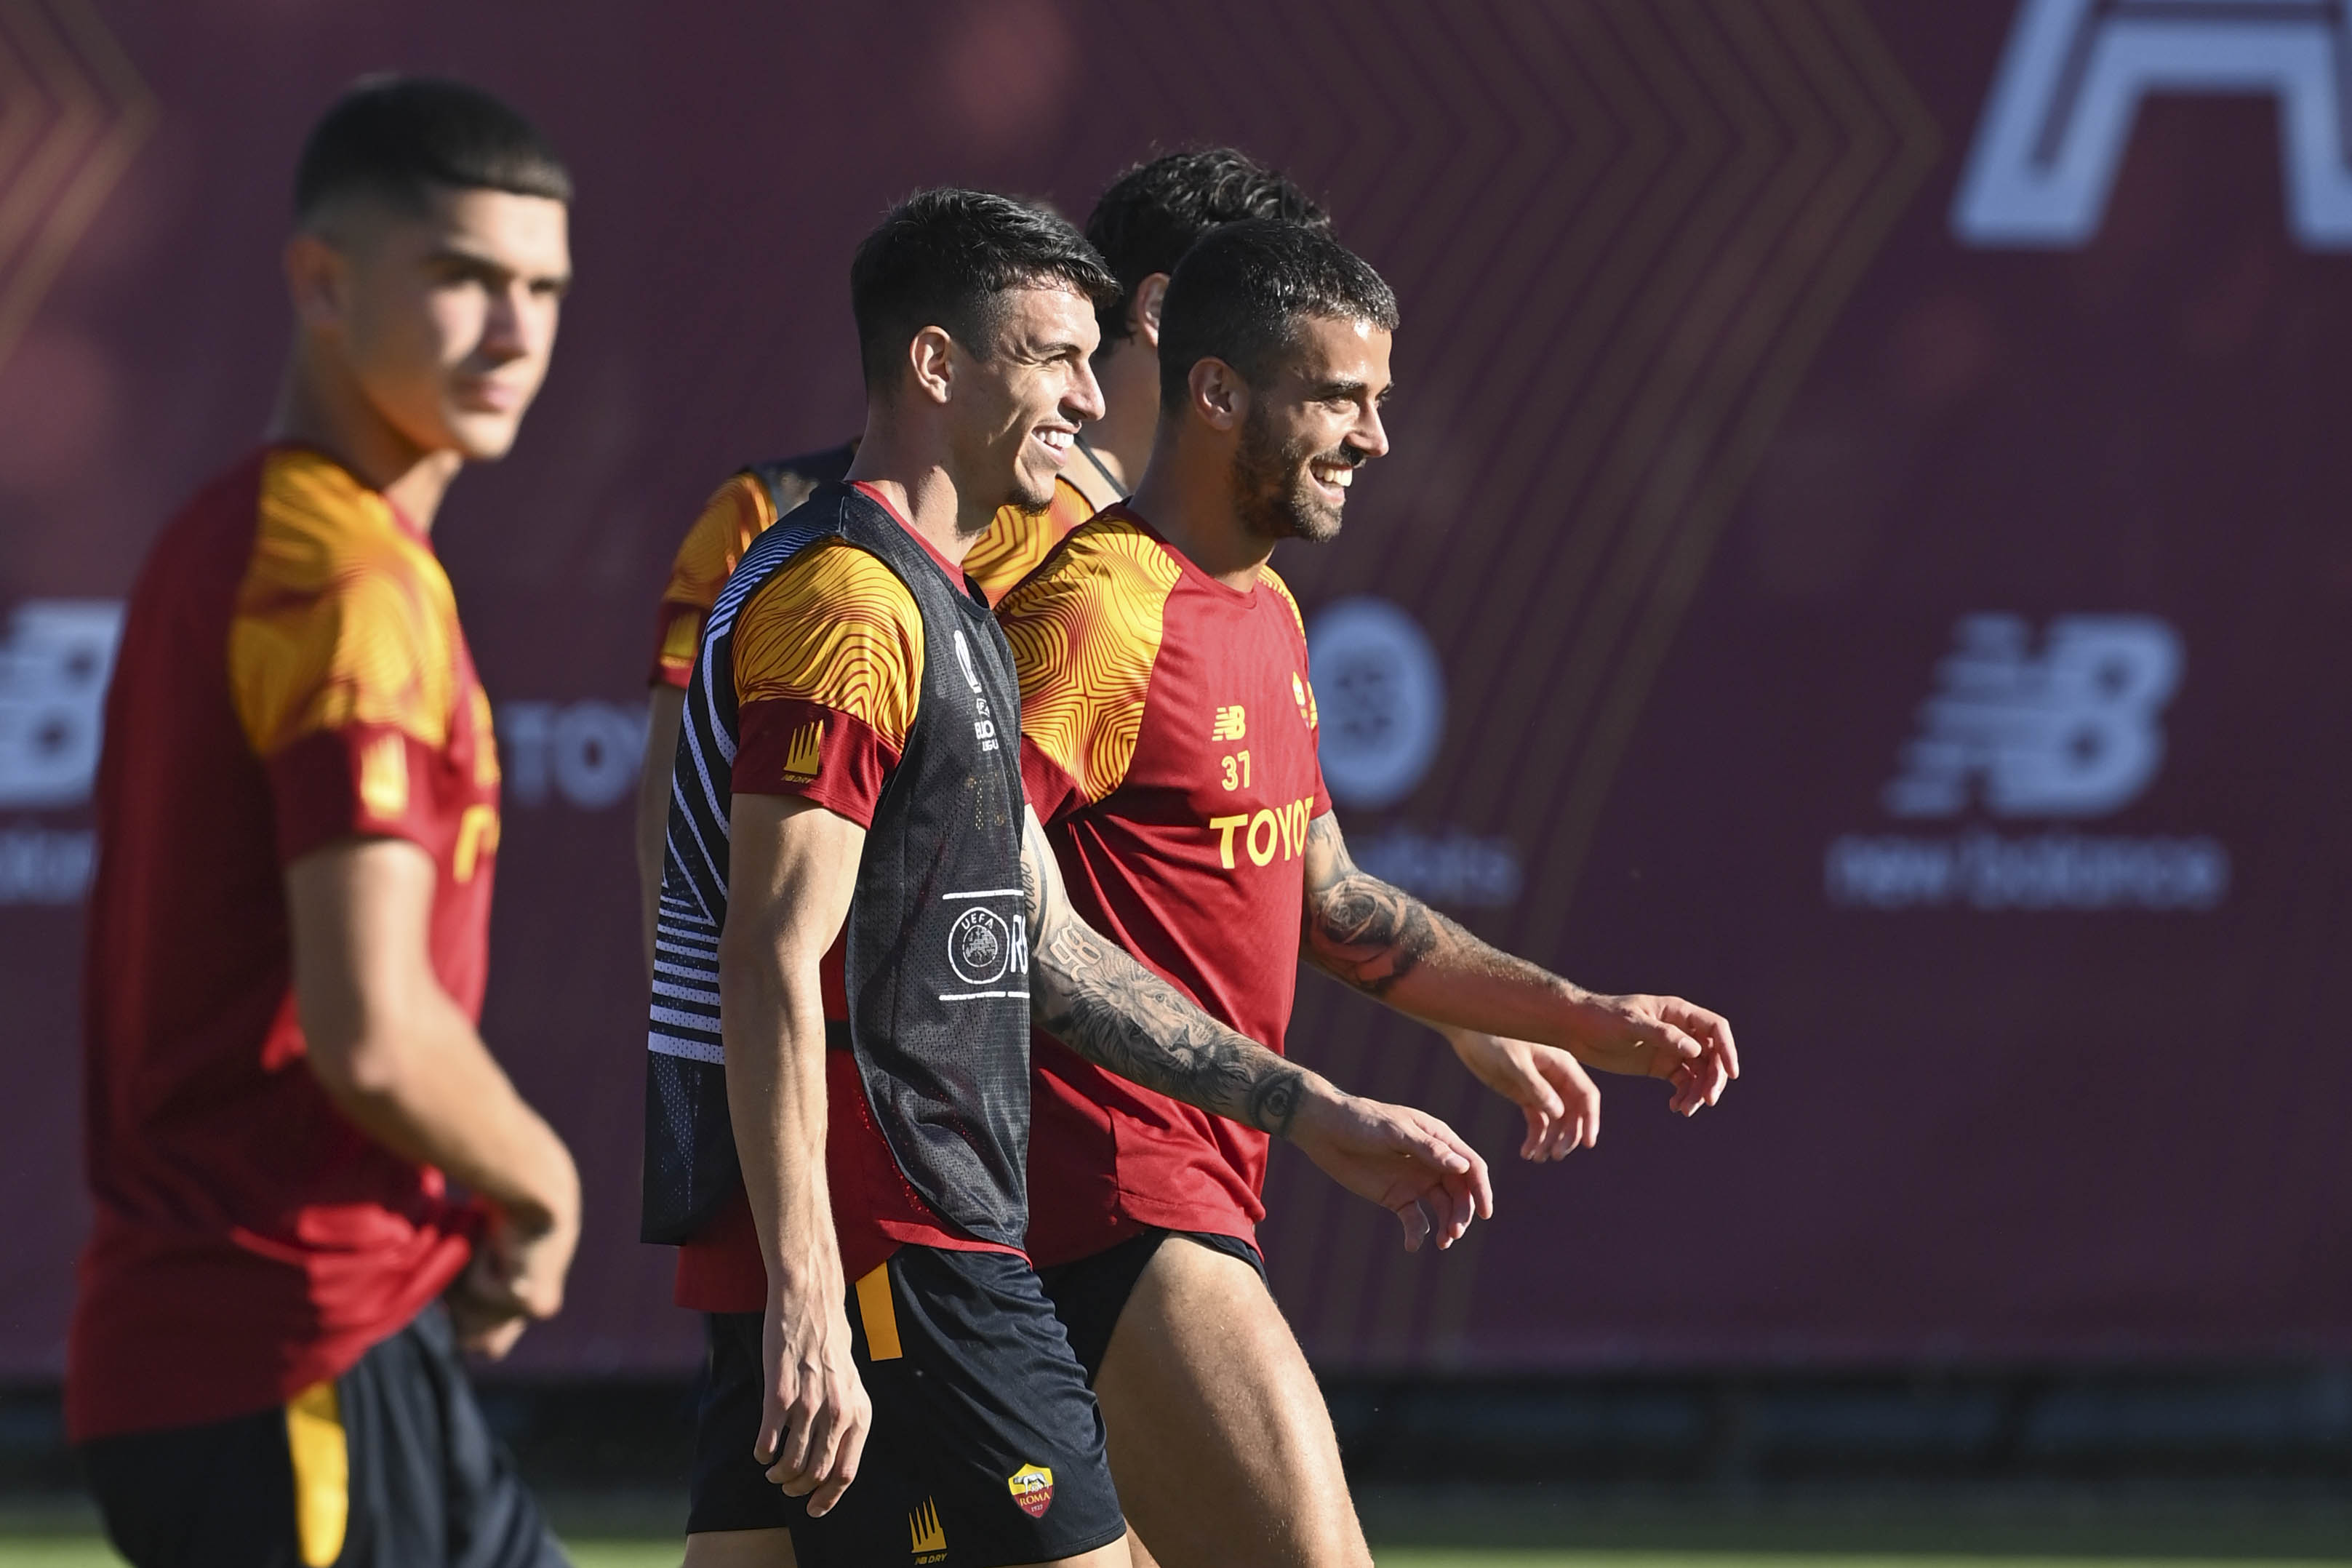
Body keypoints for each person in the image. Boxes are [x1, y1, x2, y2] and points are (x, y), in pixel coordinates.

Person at [644, 188, 1493, 1568]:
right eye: (1053, 359)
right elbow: (766, 954)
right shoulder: (849, 603)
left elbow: (1042, 938)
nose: (1094, 404)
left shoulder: (952, 604)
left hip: (910, 1229)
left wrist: (1308, 1107)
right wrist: (806, 1280)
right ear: (935, 365)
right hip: (901, 1240)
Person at [993, 218, 1742, 1568]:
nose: (1373, 438)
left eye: (1377, 400)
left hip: (1192, 1191)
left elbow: (1326, 899)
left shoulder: (1261, 610)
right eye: (1339, 396)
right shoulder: (1097, 609)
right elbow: (969, 905)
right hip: (1105, 1199)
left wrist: (1577, 1012)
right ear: (1216, 393)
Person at [66, 78, 581, 1568]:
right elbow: (373, 1027)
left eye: (543, 286)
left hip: (270, 1352)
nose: (515, 329)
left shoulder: (233, 534)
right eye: (464, 277)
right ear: (321, 283)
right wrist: (542, 1191)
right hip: (288, 1345)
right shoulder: (346, 577)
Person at [631, 151, 1332, 968]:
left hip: (1005, 1063)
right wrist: (702, 1046)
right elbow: (684, 824)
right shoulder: (778, 517)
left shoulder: (1218, 576)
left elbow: (1263, 864)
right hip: (909, 1053)